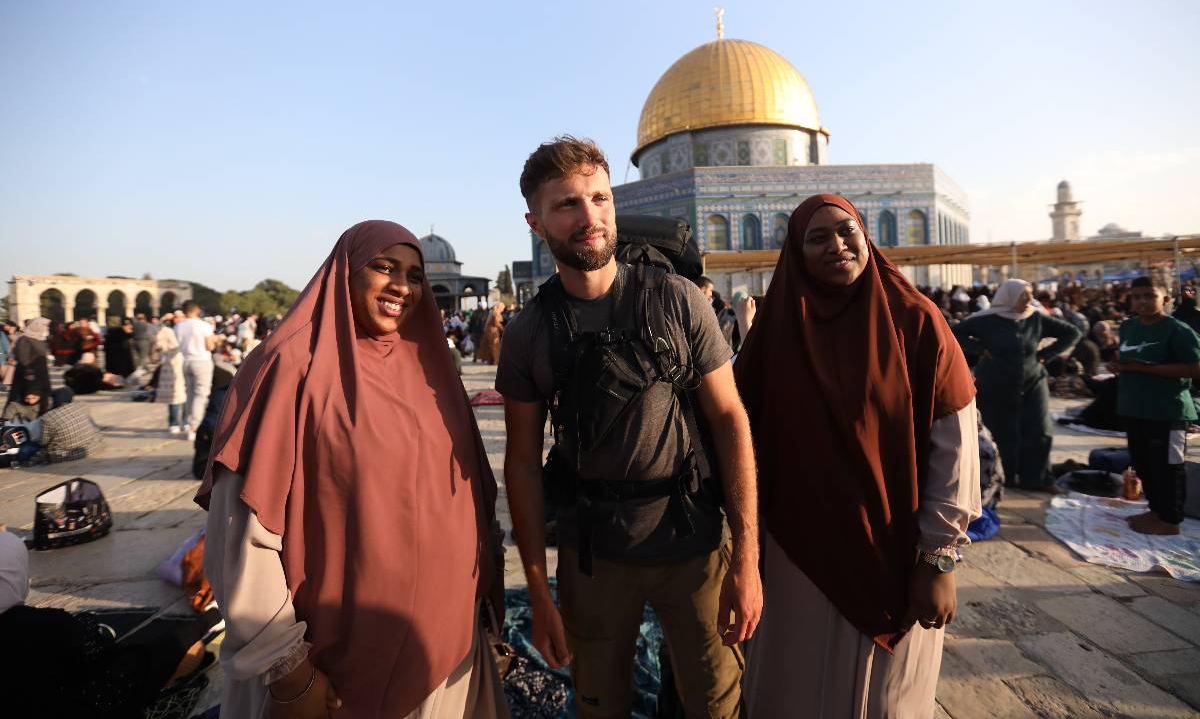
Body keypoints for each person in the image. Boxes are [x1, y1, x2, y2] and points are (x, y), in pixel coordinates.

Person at [195, 220, 506, 719]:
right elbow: (242, 529)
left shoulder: (431, 370)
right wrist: (287, 663)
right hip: (335, 664)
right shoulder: (290, 367)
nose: (402, 286)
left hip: (448, 647)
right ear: (346, 273)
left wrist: (485, 612)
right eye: (383, 267)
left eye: (415, 275)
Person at [498, 137, 760, 718]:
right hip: (595, 555)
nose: (589, 217)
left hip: (692, 546)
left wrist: (746, 558)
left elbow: (729, 420)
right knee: (599, 702)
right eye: (566, 204)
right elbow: (521, 462)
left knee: (714, 702)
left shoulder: (678, 300)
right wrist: (539, 591)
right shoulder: (529, 334)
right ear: (535, 223)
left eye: (599, 198)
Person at [734, 194, 980, 718]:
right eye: (816, 238)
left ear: (867, 235)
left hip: (894, 551)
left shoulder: (915, 322)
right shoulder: (778, 334)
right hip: (796, 552)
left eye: (847, 231)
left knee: (884, 700)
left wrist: (938, 558)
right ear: (795, 253)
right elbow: (739, 436)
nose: (837, 246)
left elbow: (954, 444)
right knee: (794, 689)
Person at [0, 529, 220, 718]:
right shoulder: (46, 625)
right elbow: (101, 656)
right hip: (90, 706)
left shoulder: (43, 625)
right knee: (166, 648)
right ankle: (209, 621)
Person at [952, 279, 1082, 492]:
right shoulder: (986, 320)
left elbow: (1073, 333)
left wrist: (1045, 354)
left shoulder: (1035, 318)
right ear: (1009, 296)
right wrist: (978, 348)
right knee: (1001, 430)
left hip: (1033, 381)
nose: (1030, 299)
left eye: (1030, 294)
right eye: (1025, 295)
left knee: (1039, 429)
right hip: (996, 383)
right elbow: (953, 333)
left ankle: (1037, 478)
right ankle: (1004, 476)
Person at [1107, 277, 1200, 535]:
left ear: (1165, 299)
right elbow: (1129, 359)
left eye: (1149, 296)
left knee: (1168, 468)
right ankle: (1156, 510)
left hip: (1168, 412)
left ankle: (1170, 520)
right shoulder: (1128, 327)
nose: (1142, 302)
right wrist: (1119, 367)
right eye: (1137, 297)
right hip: (1134, 408)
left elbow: (1195, 368)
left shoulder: (1178, 330)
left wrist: (1150, 370)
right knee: (1144, 464)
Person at [174, 300, 219, 443]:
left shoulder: (178, 326)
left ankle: (188, 422)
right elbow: (209, 346)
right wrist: (216, 340)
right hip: (202, 361)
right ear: (197, 310)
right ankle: (195, 425)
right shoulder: (203, 325)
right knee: (201, 394)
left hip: (186, 361)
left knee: (190, 394)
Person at [3, 318, 52, 422]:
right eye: (44, 326)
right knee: (18, 400)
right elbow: (23, 358)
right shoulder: (24, 339)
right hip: (28, 376)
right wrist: (29, 375)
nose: (46, 328)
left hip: (41, 373)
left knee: (43, 400)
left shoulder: (39, 339)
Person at [156, 320, 186, 434]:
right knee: (175, 395)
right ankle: (175, 422)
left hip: (179, 363)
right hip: (172, 365)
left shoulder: (179, 329)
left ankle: (183, 422)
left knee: (182, 394)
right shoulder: (167, 331)